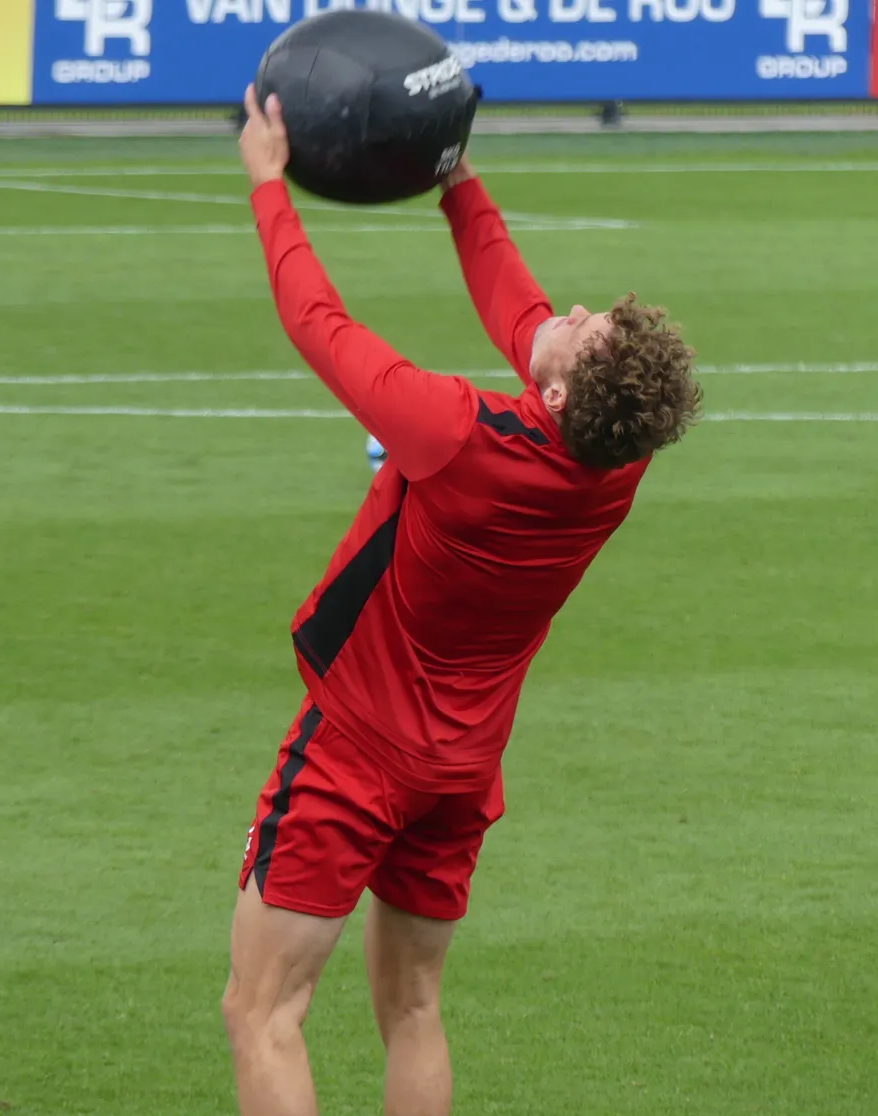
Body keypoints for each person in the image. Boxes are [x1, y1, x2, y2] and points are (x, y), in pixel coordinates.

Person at [223, 86, 702, 1116]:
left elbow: (318, 321)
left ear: (562, 397)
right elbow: (524, 318)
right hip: (463, 768)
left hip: (357, 752)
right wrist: (457, 182)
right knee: (413, 1010)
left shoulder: (453, 431)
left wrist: (269, 184)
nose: (567, 312)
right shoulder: (618, 461)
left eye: (586, 330)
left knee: (263, 1012)